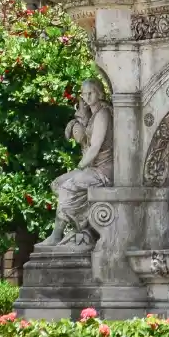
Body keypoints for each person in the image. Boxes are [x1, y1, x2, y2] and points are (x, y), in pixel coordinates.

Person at [43, 78, 113, 246]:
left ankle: (57, 235)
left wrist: (80, 167)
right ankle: (81, 226)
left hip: (103, 171)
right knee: (57, 184)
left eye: (91, 93)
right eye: (84, 94)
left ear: (99, 93)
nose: (87, 97)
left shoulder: (103, 114)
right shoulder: (93, 115)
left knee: (68, 187)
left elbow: (95, 147)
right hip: (92, 169)